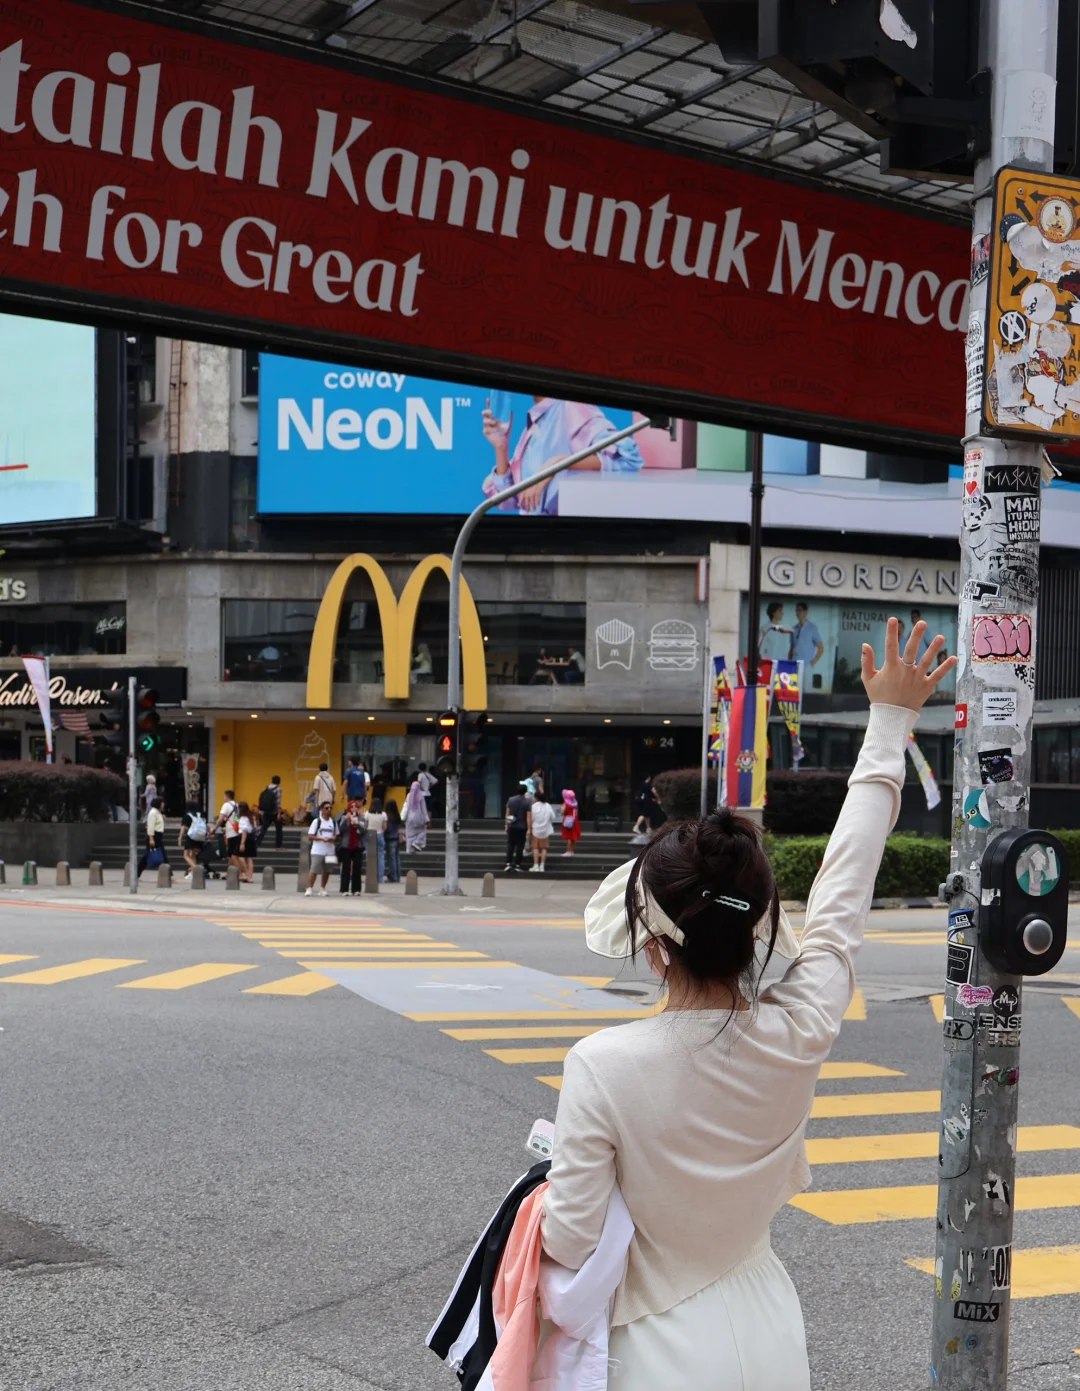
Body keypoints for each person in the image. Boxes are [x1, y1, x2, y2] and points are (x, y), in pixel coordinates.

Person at [538, 618, 954, 1391]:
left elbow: (569, 1241)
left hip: (649, 1348)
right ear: (757, 926)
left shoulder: (601, 1067)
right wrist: (892, 720)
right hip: (766, 1329)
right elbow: (845, 888)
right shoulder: (799, 1027)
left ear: (653, 946)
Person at [480, 396, 645, 516]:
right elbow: (513, 500)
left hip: (566, 546)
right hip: (533, 547)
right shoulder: (535, 424)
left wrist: (558, 463)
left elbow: (627, 458)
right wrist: (501, 448)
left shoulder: (570, 406)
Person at [305, 801, 337, 895]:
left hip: (330, 850)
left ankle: (322, 888)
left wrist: (333, 839)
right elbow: (310, 836)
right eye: (326, 808)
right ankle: (309, 888)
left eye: (330, 808)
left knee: (327, 870)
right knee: (314, 870)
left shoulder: (333, 822)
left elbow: (337, 834)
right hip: (318, 850)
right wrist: (321, 838)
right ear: (322, 810)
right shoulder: (317, 821)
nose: (329, 810)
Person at [336, 798, 366, 895]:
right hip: (346, 845)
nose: (354, 809)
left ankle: (356, 889)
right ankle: (344, 889)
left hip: (357, 844)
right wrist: (346, 819)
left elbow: (364, 830)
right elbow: (340, 829)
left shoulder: (361, 818)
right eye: (352, 807)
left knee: (357, 867)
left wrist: (357, 824)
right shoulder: (344, 817)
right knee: (346, 867)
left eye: (355, 807)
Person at [138, 798, 168, 877]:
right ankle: (136, 874)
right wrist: (151, 838)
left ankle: (168, 875)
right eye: (162, 803)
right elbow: (150, 826)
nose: (163, 804)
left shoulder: (158, 812)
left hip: (158, 836)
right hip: (154, 836)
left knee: (160, 854)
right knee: (148, 856)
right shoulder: (153, 812)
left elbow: (159, 824)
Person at [789, 602, 825, 668]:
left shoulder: (812, 628)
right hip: (794, 665)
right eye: (796, 611)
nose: (797, 613)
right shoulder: (794, 629)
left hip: (806, 666)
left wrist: (813, 662)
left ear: (805, 612)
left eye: (800, 610)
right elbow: (791, 649)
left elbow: (821, 648)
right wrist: (788, 664)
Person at [527, 790, 555, 873]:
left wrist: (529, 828)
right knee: (544, 848)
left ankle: (535, 865)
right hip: (545, 830)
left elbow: (531, 818)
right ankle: (542, 866)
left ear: (536, 798)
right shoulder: (548, 806)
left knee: (535, 848)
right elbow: (553, 817)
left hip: (535, 829)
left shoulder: (534, 806)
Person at [178, 800, 207, 879]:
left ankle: (197, 870)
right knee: (193, 855)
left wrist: (180, 838)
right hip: (199, 837)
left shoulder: (188, 815)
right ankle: (193, 874)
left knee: (186, 855)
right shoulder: (201, 815)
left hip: (191, 837)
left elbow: (183, 827)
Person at [503, 785, 529, 872]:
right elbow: (528, 816)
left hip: (512, 825)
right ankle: (517, 864)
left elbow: (507, 813)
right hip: (522, 826)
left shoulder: (511, 799)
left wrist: (506, 825)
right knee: (520, 846)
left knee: (510, 845)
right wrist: (529, 828)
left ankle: (508, 863)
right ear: (525, 791)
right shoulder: (527, 801)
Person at [404, 779, 430, 853]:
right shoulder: (421, 796)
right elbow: (424, 809)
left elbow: (406, 807)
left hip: (409, 819)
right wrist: (427, 820)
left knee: (409, 834)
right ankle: (417, 842)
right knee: (422, 831)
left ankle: (409, 850)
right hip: (419, 818)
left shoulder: (408, 795)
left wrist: (403, 817)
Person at [259, 775, 284, 848]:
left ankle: (257, 842)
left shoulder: (266, 788)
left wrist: (261, 811)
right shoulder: (278, 789)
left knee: (263, 828)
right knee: (279, 829)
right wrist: (279, 814)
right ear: (279, 781)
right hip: (274, 812)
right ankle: (278, 845)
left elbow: (262, 800)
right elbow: (278, 802)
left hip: (266, 812)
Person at [631, 775, 658, 842]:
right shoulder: (648, 784)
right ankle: (636, 826)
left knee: (647, 815)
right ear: (648, 777)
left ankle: (648, 828)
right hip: (646, 802)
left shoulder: (641, 784)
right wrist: (658, 797)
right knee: (644, 814)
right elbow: (654, 791)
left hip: (642, 801)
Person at [367, 797, 388, 881]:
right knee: (381, 856)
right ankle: (380, 878)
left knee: (370, 856)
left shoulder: (367, 814)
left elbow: (366, 824)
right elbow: (385, 827)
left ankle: (370, 876)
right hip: (379, 834)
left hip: (370, 834)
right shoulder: (383, 814)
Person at [235, 801, 256, 883]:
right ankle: (250, 876)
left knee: (240, 856)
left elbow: (244, 831)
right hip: (251, 837)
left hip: (244, 837)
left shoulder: (243, 818)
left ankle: (247, 874)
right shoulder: (251, 817)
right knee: (249, 858)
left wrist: (242, 843)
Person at [383, 798, 402, 882]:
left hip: (390, 839)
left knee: (391, 859)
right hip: (397, 838)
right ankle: (397, 876)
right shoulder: (397, 816)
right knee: (396, 858)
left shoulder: (388, 817)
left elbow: (388, 829)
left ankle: (393, 876)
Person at [559, 789, 581, 857]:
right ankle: (572, 851)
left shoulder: (565, 803)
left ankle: (568, 851)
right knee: (573, 837)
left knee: (569, 837)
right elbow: (576, 813)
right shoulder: (575, 803)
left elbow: (562, 812)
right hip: (574, 820)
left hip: (568, 820)